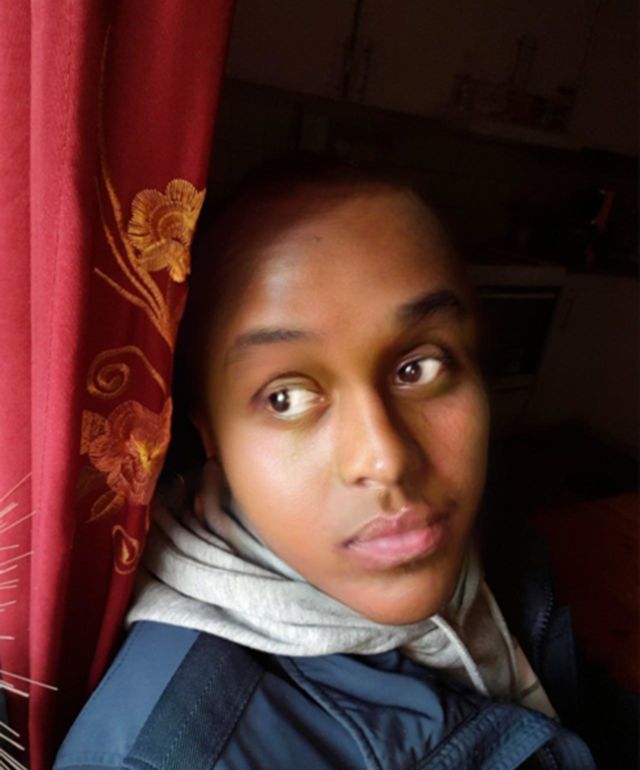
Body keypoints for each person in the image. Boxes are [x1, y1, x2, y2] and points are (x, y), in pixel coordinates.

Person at [54, 159, 604, 769]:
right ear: (210, 435)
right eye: (285, 398)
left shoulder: (501, 535)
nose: (387, 460)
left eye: (418, 367)